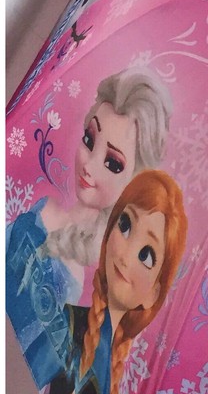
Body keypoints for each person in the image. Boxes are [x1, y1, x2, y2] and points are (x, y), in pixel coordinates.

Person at [6, 68, 172, 366]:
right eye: (89, 139)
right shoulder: (43, 208)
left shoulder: (77, 278)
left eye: (113, 163)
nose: (89, 165)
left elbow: (31, 353)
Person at [41, 170, 188, 394]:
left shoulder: (129, 388)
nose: (125, 254)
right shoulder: (62, 324)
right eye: (125, 224)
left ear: (153, 293)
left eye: (147, 254)